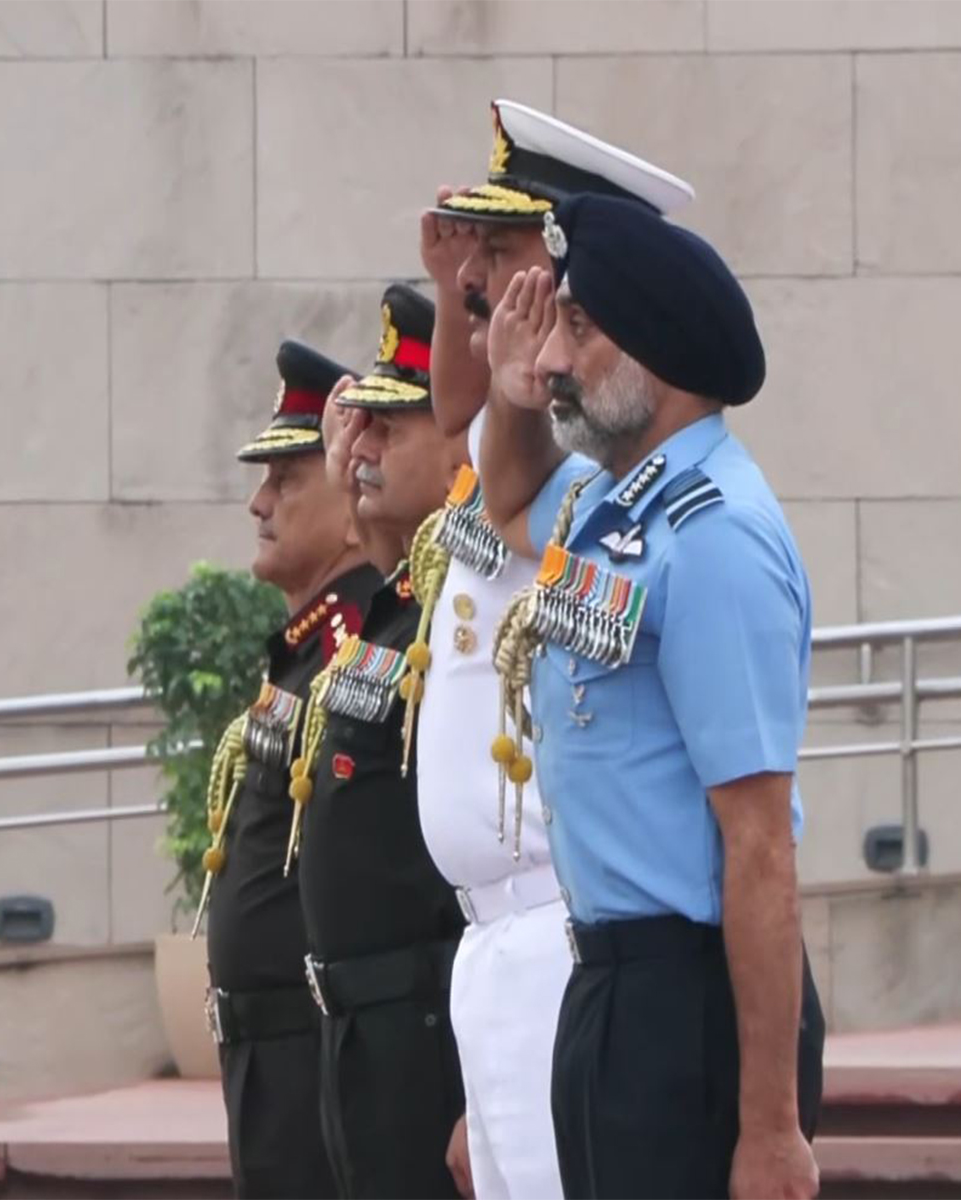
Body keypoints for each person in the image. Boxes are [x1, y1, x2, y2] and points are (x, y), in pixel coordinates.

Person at [479, 194, 826, 1200]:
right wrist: (505, 395)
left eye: (577, 329)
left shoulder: (714, 537)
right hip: (611, 990)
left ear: (656, 354)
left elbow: (759, 844)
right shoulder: (606, 501)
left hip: (693, 1005)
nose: (551, 359)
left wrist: (769, 1130)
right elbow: (502, 501)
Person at [410, 99, 696, 1199]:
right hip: (497, 943)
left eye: (508, 253)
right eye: (479, 257)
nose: (485, 279)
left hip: (562, 919)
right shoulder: (516, 446)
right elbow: (461, 420)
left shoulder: (598, 472)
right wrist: (453, 296)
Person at [288, 283, 470, 1199]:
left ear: (459, 446)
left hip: (424, 1020)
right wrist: (347, 479)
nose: (364, 452)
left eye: (391, 430)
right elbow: (379, 562)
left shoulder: (460, 604)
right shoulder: (399, 606)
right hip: (361, 1022)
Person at [197, 339, 382, 1198]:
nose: (257, 503)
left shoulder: (355, 655)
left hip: (315, 1054)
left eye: (286, 480)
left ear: (351, 506)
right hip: (269, 1059)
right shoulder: (308, 655)